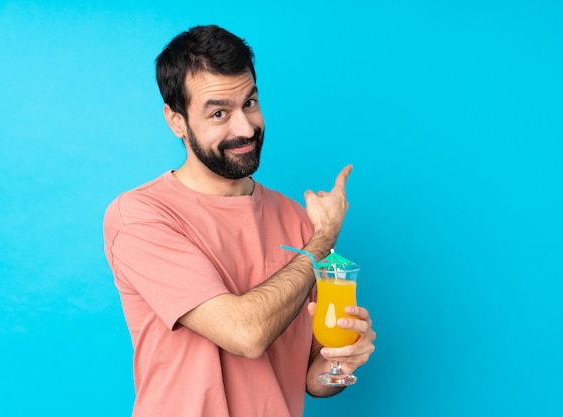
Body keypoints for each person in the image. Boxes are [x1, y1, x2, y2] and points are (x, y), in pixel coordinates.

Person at [103, 24, 376, 417]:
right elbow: (246, 334)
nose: (246, 128)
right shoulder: (141, 217)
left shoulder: (296, 219)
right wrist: (324, 238)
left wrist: (342, 363)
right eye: (219, 113)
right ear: (176, 120)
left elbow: (313, 379)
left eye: (249, 102)